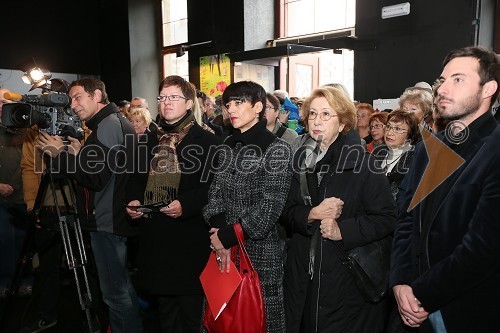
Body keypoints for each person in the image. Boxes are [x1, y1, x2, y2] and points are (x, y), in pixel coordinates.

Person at [390, 46, 500, 332]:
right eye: (443, 79)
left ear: (488, 89)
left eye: (458, 79)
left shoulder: (495, 150)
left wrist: (420, 294)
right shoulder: (430, 148)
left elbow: (483, 248)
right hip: (412, 303)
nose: (443, 88)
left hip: (466, 308)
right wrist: (401, 281)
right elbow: (406, 217)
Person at [283, 86, 396, 333]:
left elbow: (387, 218)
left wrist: (342, 230)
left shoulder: (364, 164)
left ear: (343, 122)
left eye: (326, 114)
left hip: (346, 281)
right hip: (304, 276)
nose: (316, 121)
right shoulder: (301, 160)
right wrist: (312, 214)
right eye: (312, 114)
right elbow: (287, 212)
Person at [36, 77, 142, 333]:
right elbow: (105, 170)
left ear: (96, 96)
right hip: (113, 216)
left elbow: (96, 178)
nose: (72, 105)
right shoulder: (115, 121)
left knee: (115, 295)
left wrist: (58, 154)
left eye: (77, 97)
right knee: (123, 289)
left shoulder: (107, 124)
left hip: (107, 219)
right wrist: (77, 153)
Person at [126, 75, 221, 333]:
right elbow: (135, 178)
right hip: (156, 237)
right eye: (162, 98)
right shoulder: (149, 139)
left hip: (189, 238)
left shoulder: (208, 140)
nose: (166, 103)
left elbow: (213, 187)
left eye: (174, 97)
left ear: (189, 104)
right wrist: (134, 200)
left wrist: (185, 204)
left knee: (191, 314)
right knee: (165, 315)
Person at [203, 81, 293, 333]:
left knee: (258, 322)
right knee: (222, 321)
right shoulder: (227, 146)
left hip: (260, 254)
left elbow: (268, 210)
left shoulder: (277, 150)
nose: (231, 109)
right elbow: (213, 197)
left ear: (258, 107)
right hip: (222, 248)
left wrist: (226, 237)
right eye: (228, 104)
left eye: (238, 103)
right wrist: (221, 237)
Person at [0, 88, 31, 298]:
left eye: (5, 102)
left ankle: (26, 281)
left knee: (24, 241)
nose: (2, 106)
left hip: (23, 198)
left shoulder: (26, 130)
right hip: (0, 199)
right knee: (3, 241)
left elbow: (32, 163)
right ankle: (4, 283)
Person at [373, 109, 419, 204]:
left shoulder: (415, 159)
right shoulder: (378, 153)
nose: (389, 133)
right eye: (388, 127)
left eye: (397, 129)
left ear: (409, 134)